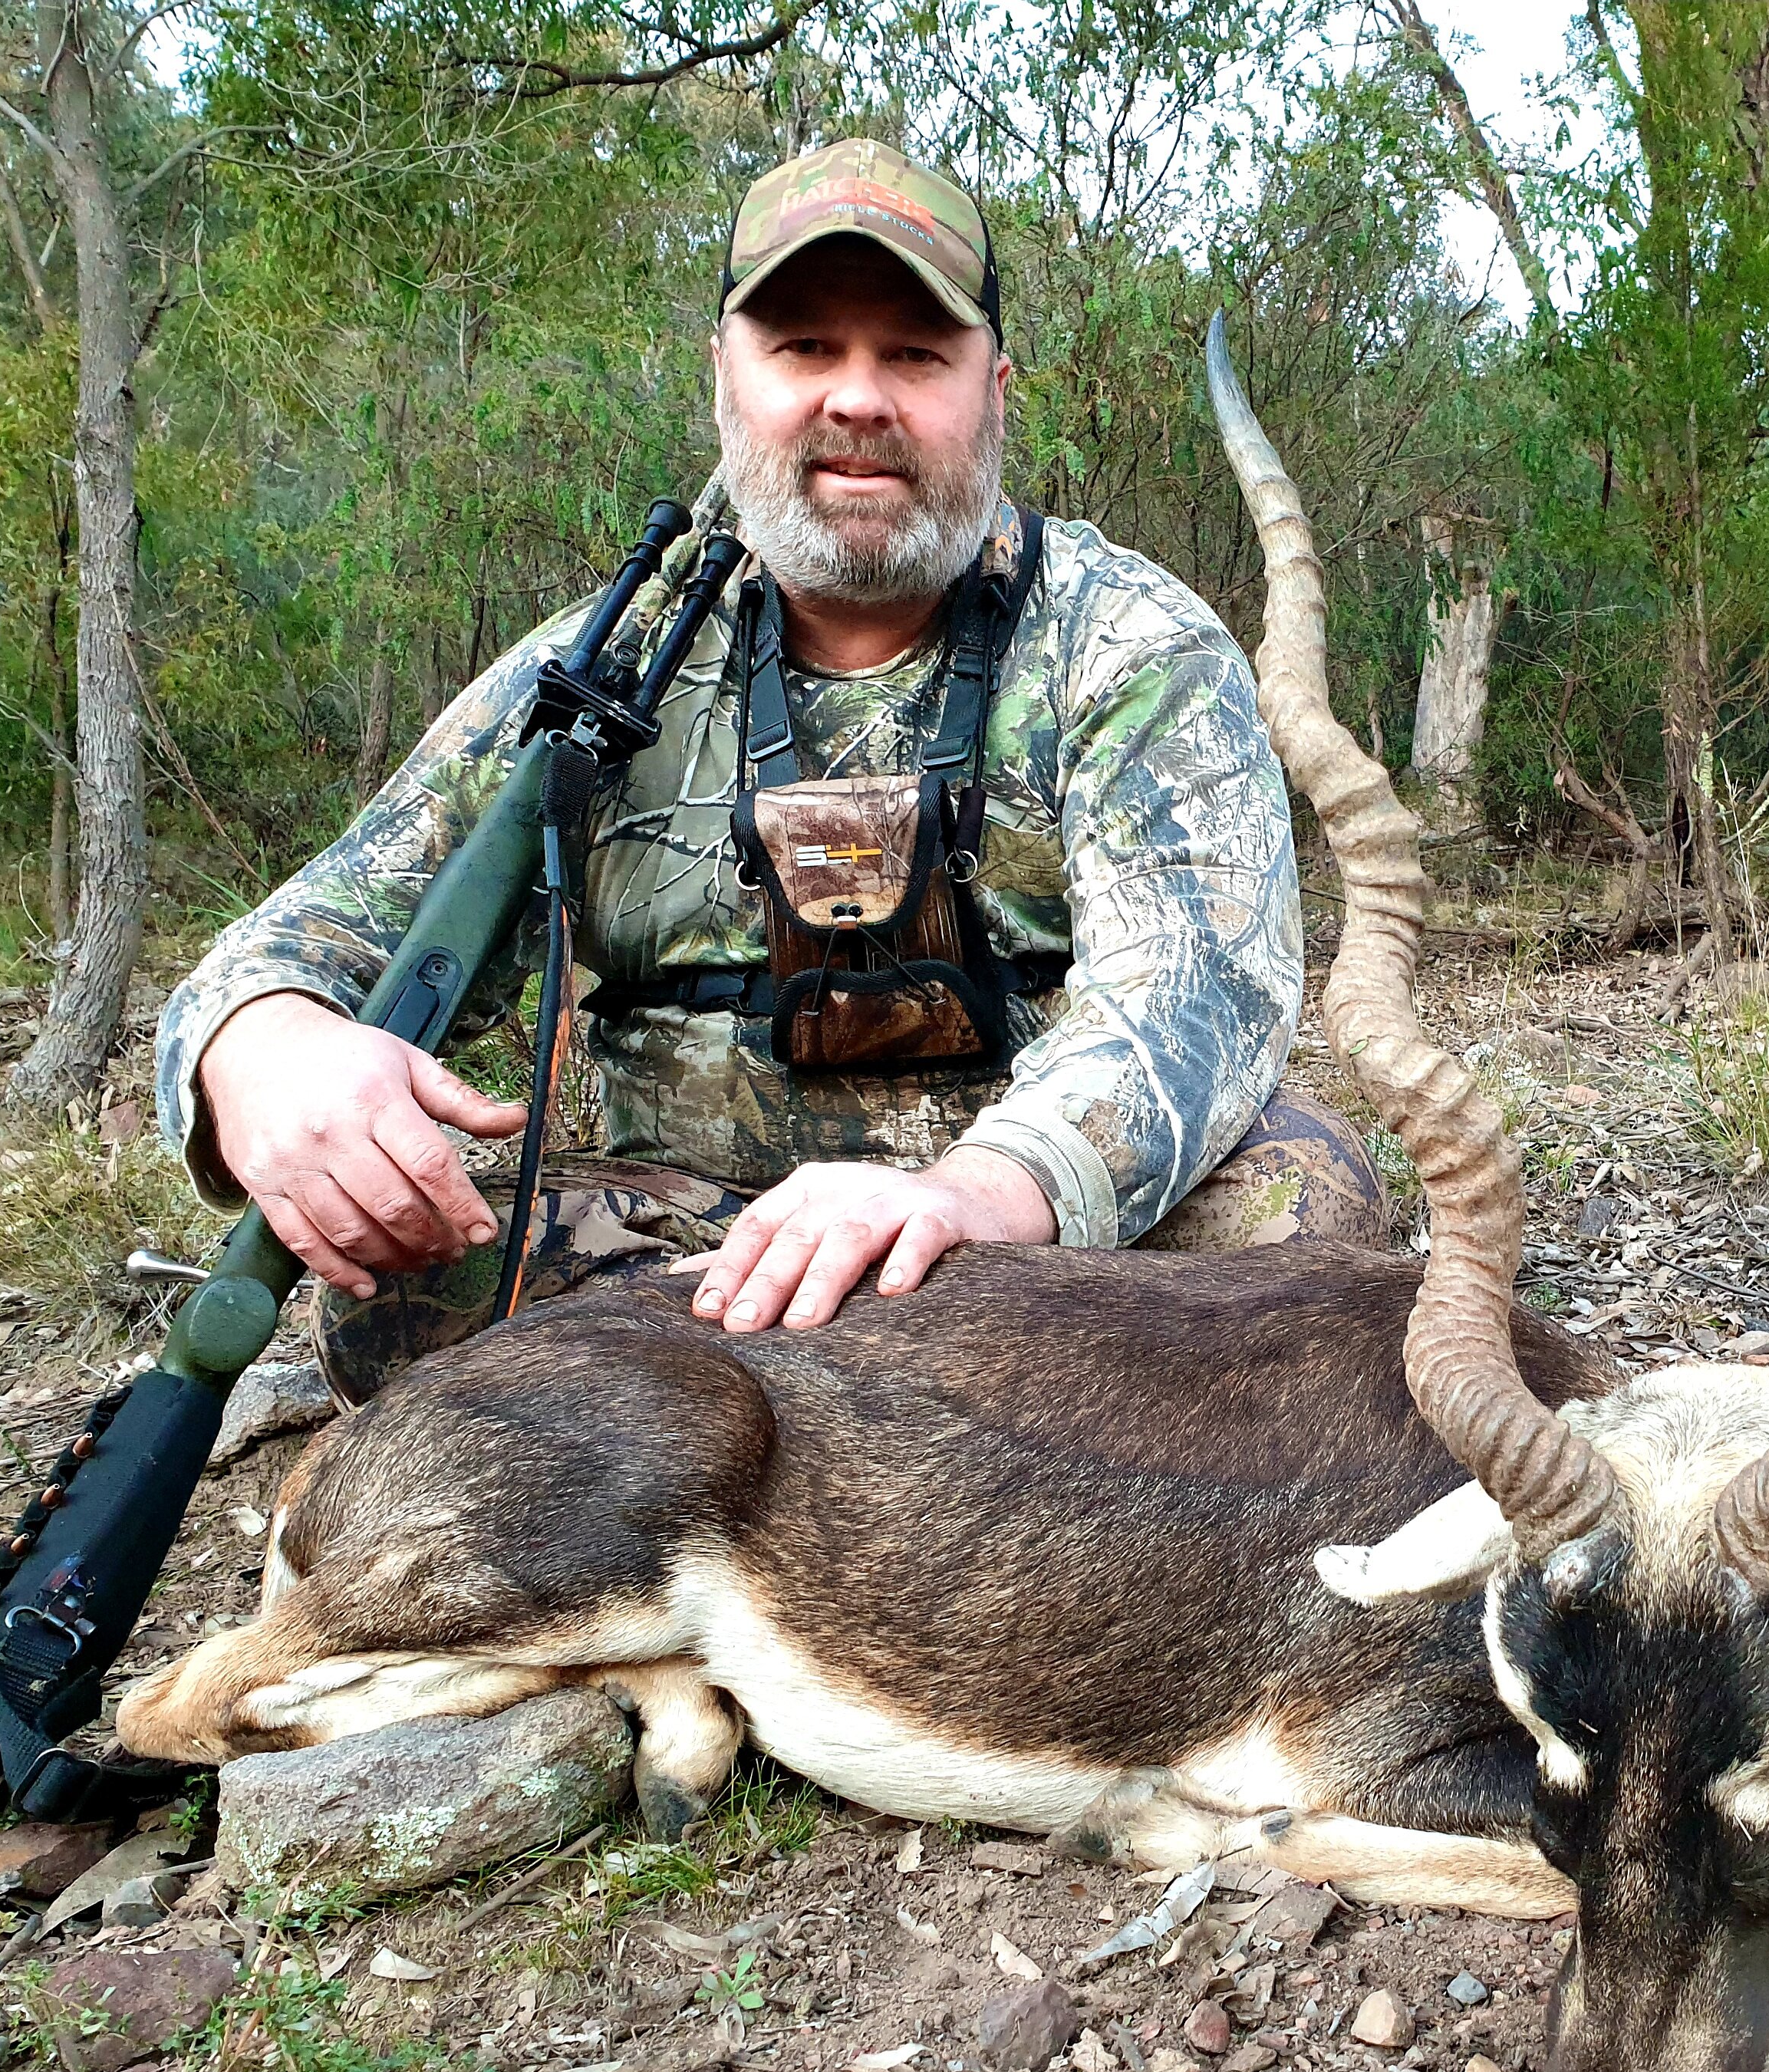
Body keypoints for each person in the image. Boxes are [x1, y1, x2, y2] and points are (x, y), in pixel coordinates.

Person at [157, 139, 1389, 1403]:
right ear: (725, 380)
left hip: (1044, 1247)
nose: (858, 398)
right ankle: (909, 1447)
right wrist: (264, 1050)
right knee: (411, 1274)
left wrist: (968, 1196)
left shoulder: (1133, 644)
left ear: (995, 391)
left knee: (1306, 1217)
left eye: (915, 354)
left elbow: (1192, 1003)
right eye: (805, 347)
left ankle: (762, 1454)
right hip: (695, 1252)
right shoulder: (607, 669)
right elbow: (297, 944)